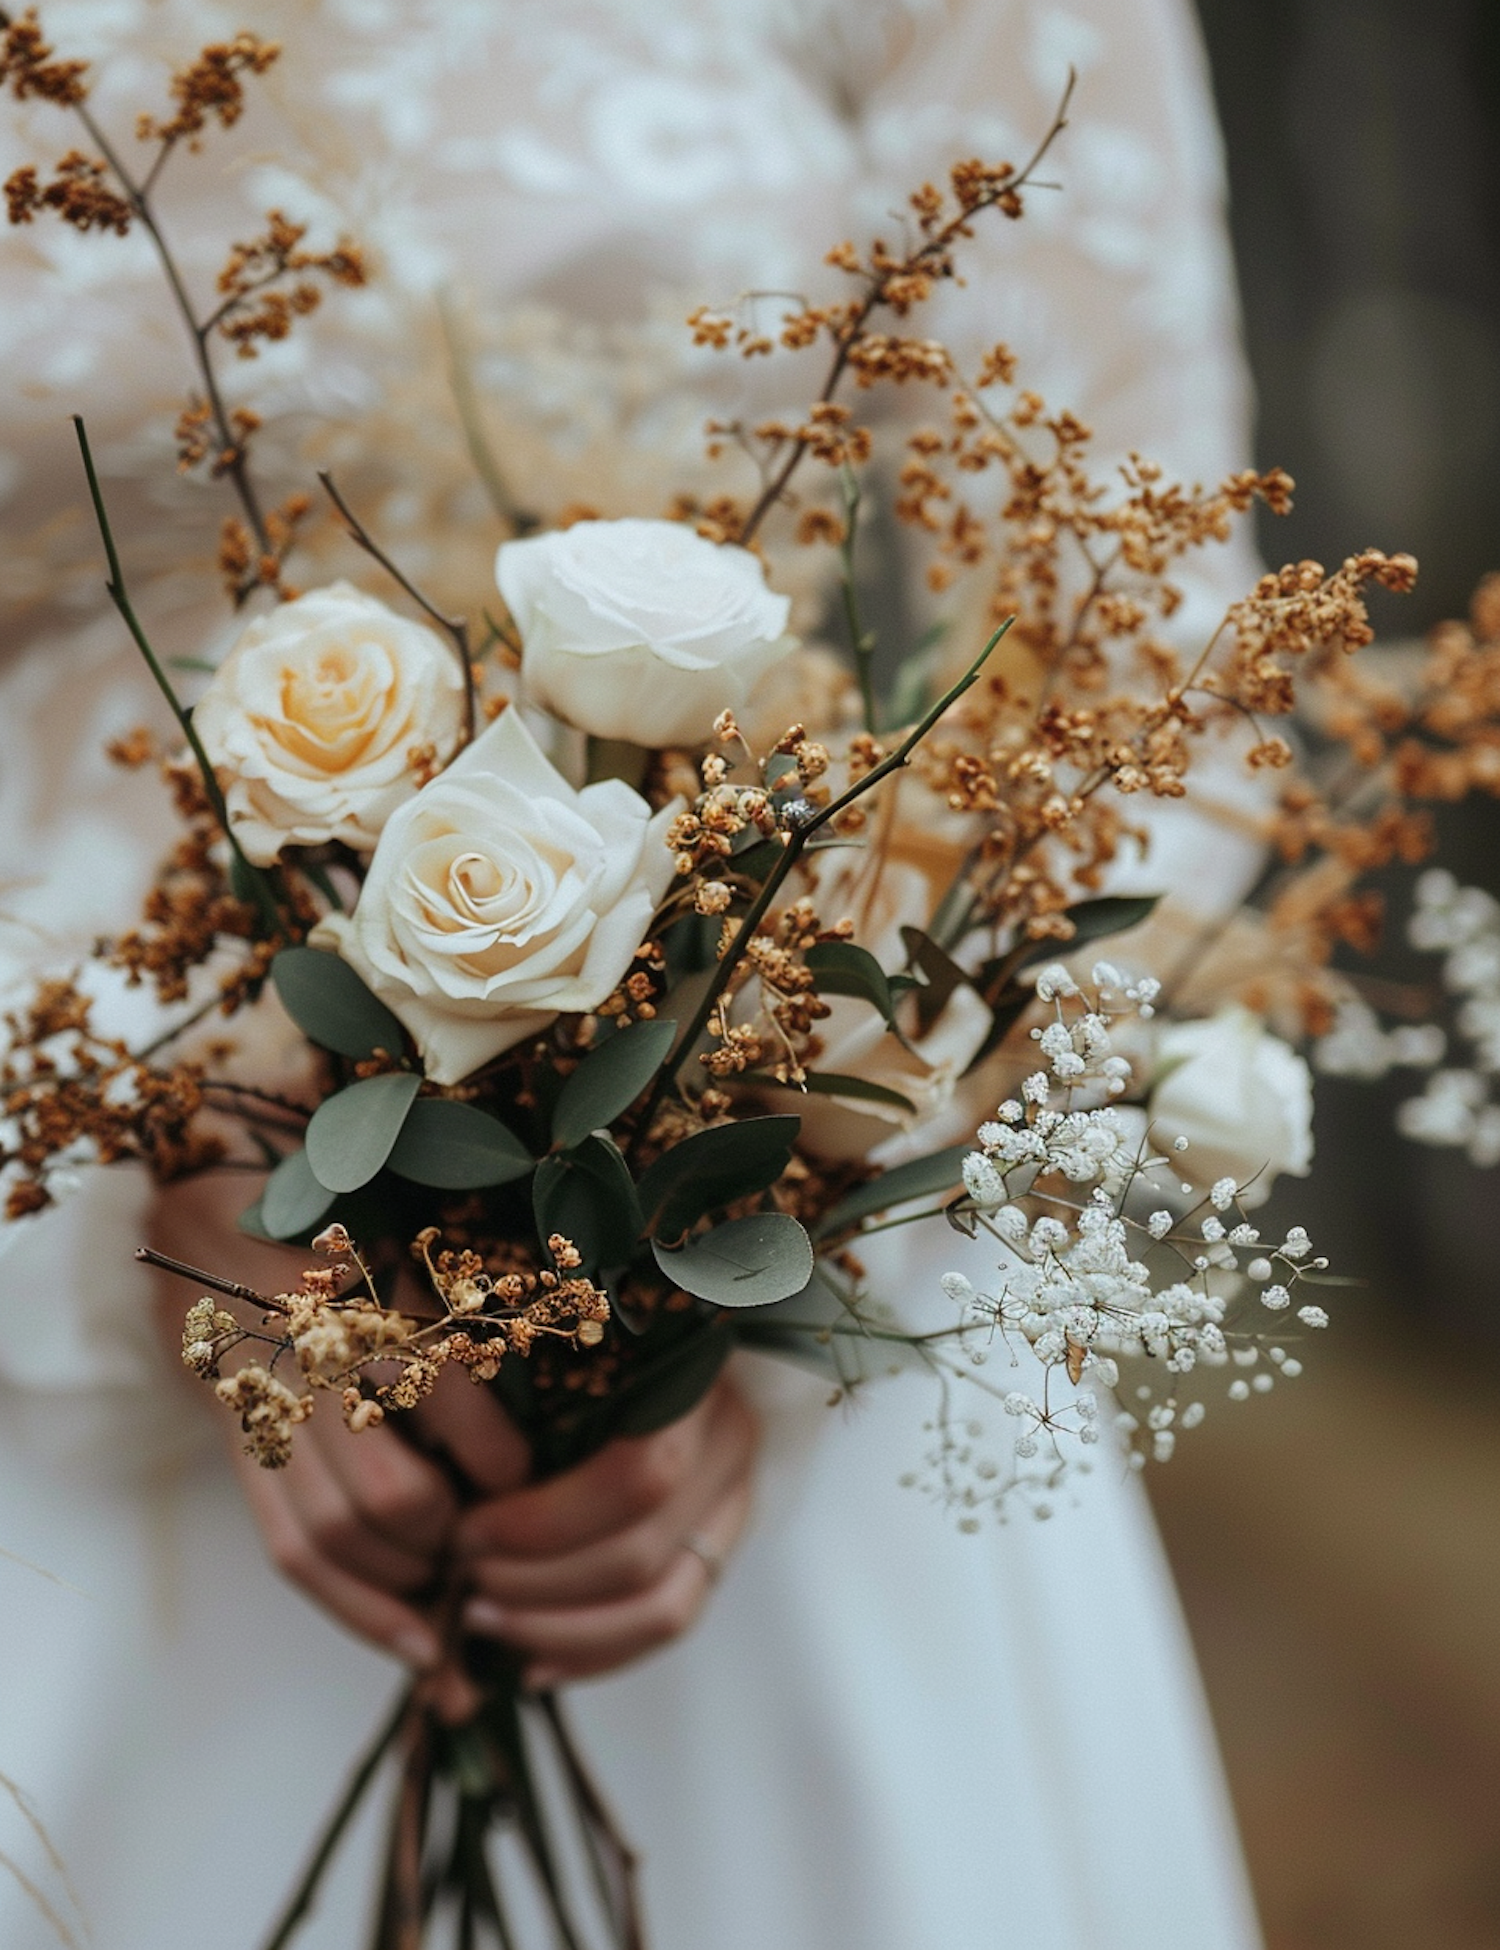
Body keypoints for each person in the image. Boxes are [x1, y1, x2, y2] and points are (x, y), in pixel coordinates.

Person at [0, 2, 1264, 1942]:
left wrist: (758, 1226)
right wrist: (159, 1178)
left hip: (732, 1337)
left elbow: (1142, 673)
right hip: (52, 1291)